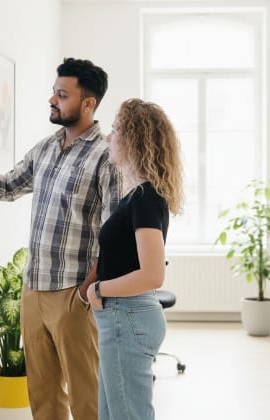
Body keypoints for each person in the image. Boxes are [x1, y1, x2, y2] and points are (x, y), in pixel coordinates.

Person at [0, 57, 121, 420]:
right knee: (43, 395)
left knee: (86, 396)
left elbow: (114, 232)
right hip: (33, 288)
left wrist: (88, 289)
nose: (52, 100)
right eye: (53, 92)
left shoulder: (107, 156)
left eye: (62, 95)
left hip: (73, 293)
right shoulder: (45, 148)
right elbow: (5, 186)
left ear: (88, 103)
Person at [83, 98, 183, 420]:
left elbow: (153, 275)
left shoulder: (145, 199)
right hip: (122, 319)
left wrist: (99, 290)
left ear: (133, 138)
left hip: (128, 318)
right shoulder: (139, 195)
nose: (107, 138)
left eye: (114, 130)